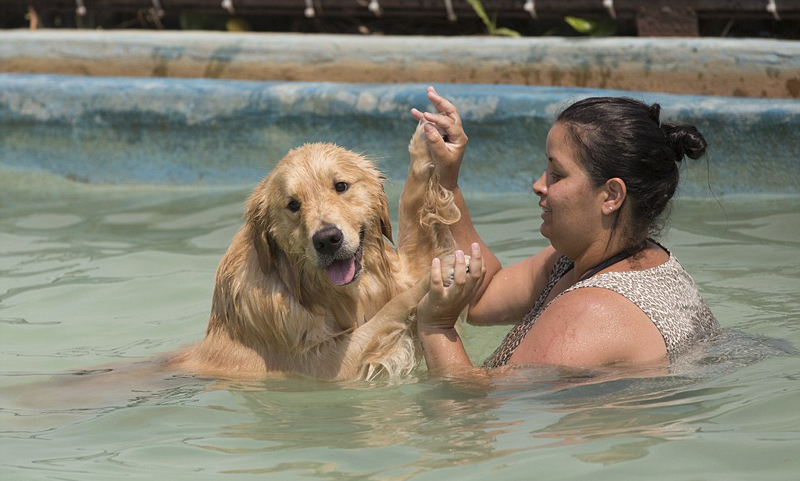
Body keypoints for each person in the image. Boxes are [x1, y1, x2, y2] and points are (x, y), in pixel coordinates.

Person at [410, 86, 719, 376]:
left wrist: (436, 325)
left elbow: (476, 410)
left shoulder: (591, 313)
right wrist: (447, 181)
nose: (538, 185)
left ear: (611, 196)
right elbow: (481, 296)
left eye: (557, 174)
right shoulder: (606, 259)